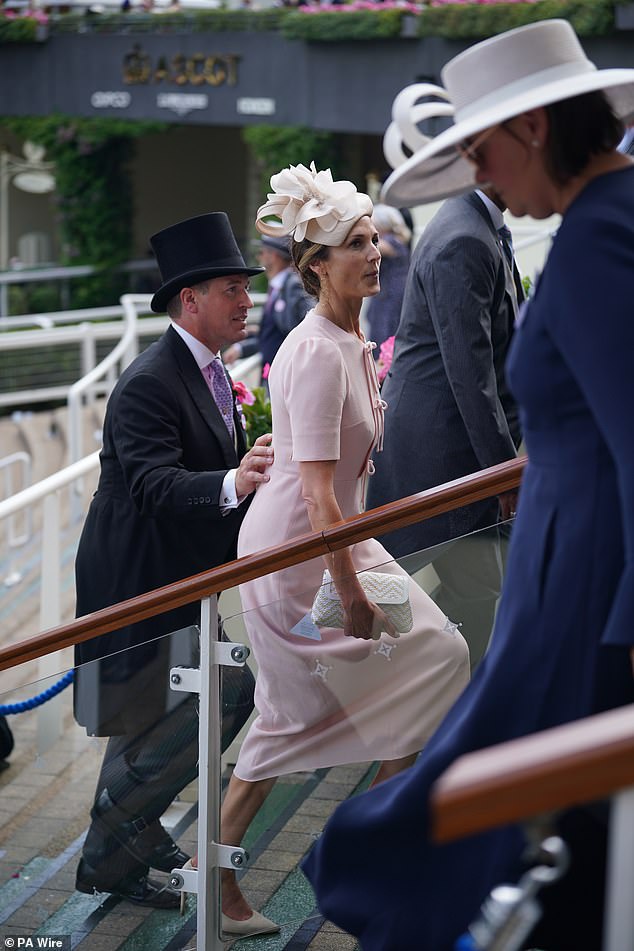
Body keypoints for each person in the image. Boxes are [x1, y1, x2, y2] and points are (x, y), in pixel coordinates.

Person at [302, 20, 634, 950]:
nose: (478, 172)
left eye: (480, 148)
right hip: (575, 573)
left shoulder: (603, 237)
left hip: (583, 590)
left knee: (490, 812)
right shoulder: (611, 221)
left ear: (532, 128)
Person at [181, 162, 469, 936]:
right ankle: (221, 883)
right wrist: (357, 594)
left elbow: (336, 480)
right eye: (355, 243)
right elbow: (314, 497)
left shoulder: (353, 333)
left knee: (439, 657)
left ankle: (372, 849)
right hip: (293, 561)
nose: (375, 253)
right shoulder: (312, 350)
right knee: (283, 729)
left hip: (345, 540)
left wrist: (360, 571)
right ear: (316, 267)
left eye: (375, 238)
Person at [73, 212, 274, 909]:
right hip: (138, 582)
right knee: (206, 700)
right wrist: (237, 481)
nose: (247, 299)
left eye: (246, 287)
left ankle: (124, 841)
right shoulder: (148, 382)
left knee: (155, 713)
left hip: (184, 578)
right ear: (190, 301)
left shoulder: (214, 373)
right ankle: (115, 845)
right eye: (231, 288)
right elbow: (157, 485)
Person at [367, 186, 522, 669]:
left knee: (475, 602)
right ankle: (431, 730)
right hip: (438, 460)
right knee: (459, 607)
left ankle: (438, 728)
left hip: (455, 456)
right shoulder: (464, 238)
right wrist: (505, 476)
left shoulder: (478, 227)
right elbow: (470, 377)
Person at [224, 234, 313, 378]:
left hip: (287, 374)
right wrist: (242, 347)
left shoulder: (293, 286)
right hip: (275, 373)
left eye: (262, 252)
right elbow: (273, 332)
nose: (259, 257)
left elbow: (301, 328)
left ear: (273, 256)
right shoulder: (278, 286)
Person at [363, 203, 411, 353]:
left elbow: (371, 248)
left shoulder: (391, 241)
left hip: (390, 298)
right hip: (389, 296)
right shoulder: (397, 240)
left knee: (385, 335)